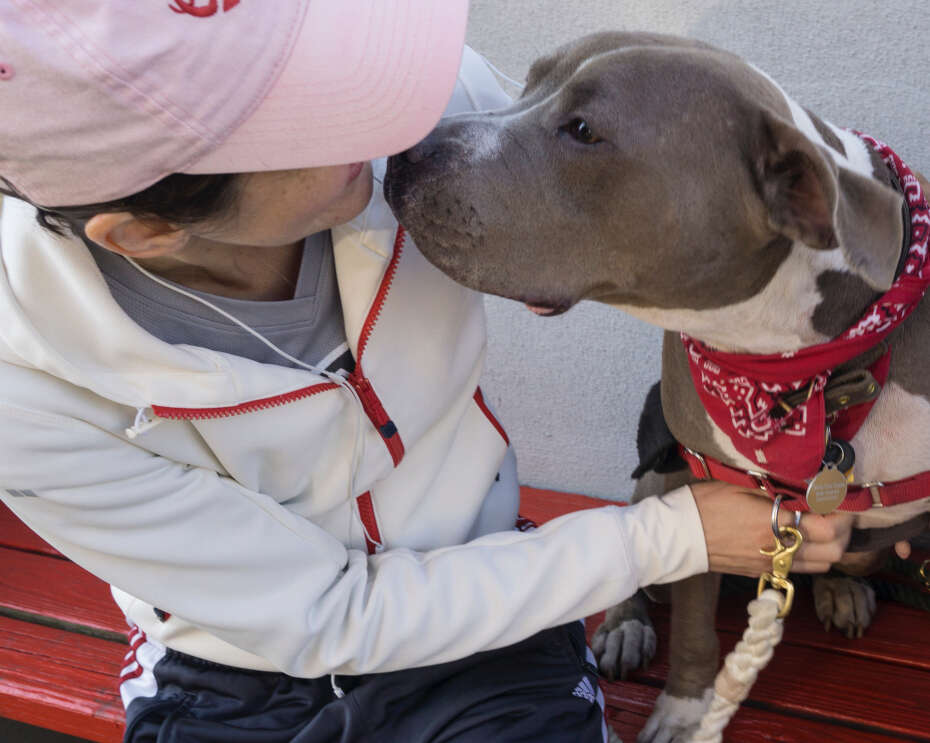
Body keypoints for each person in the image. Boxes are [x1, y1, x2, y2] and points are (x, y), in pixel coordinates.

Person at [0, 2, 852, 741]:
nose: (384, 115)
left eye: (323, 63)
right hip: (230, 668)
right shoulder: (27, 390)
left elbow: (683, 165)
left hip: (493, 608)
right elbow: (333, 615)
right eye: (301, 118)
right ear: (143, 233)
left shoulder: (428, 119)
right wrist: (674, 535)